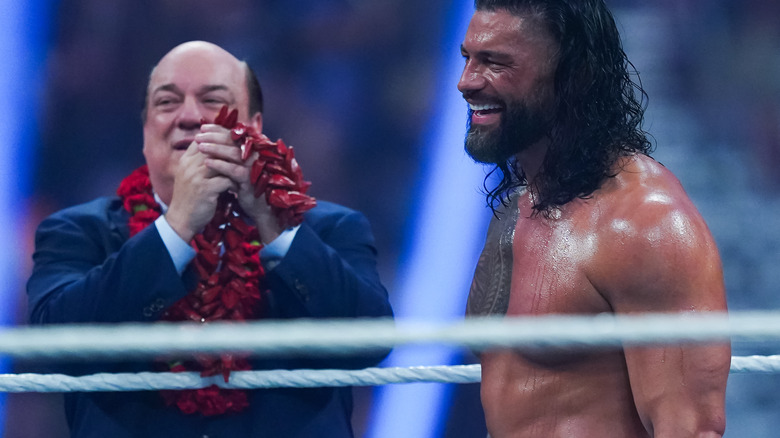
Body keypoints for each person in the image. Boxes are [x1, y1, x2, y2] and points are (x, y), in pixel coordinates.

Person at [27, 40, 393, 438]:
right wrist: (177, 226)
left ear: (253, 128)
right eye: (166, 103)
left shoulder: (330, 229)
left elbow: (368, 343)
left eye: (212, 100)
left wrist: (275, 226)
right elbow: (54, 348)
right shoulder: (78, 232)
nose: (188, 116)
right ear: (146, 132)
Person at [459, 1, 730, 437]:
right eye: (468, 57)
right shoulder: (517, 210)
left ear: (571, 75)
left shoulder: (645, 224)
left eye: (495, 63)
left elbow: (691, 428)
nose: (466, 81)